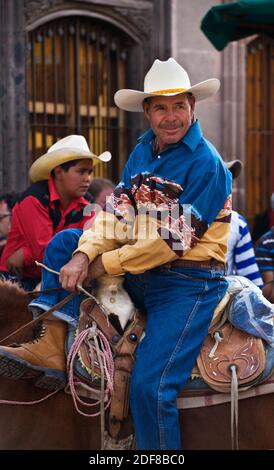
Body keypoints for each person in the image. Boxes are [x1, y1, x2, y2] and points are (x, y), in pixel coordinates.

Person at [0, 58, 231, 450]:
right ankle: (54, 337)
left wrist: (101, 263)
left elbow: (170, 242)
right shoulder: (143, 151)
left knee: (151, 387)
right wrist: (81, 255)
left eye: (178, 106)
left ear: (193, 106)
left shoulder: (207, 165)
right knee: (62, 245)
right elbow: (114, 215)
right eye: (161, 107)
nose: (170, 116)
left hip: (188, 283)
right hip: (142, 274)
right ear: (147, 111)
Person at [0, 135, 111, 291]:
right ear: (58, 172)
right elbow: (44, 255)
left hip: (62, 274)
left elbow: (90, 242)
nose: (88, 179)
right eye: (81, 172)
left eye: (90, 172)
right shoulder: (34, 199)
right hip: (18, 278)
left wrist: (25, 254)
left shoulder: (87, 203)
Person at [225, 160, 263, 288]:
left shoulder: (237, 223)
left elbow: (253, 283)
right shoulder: (176, 214)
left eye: (228, 178)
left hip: (221, 302)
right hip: (175, 299)